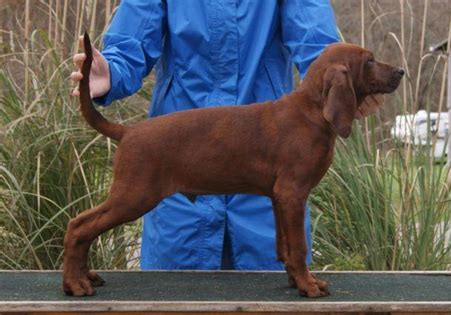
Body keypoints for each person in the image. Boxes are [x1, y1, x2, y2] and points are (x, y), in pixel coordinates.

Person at [71, 0, 383, 271]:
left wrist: (346, 86)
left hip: (266, 188)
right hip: (178, 175)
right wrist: (109, 72)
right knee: (175, 300)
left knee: (268, 302)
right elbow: (130, 45)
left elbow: (318, 48)